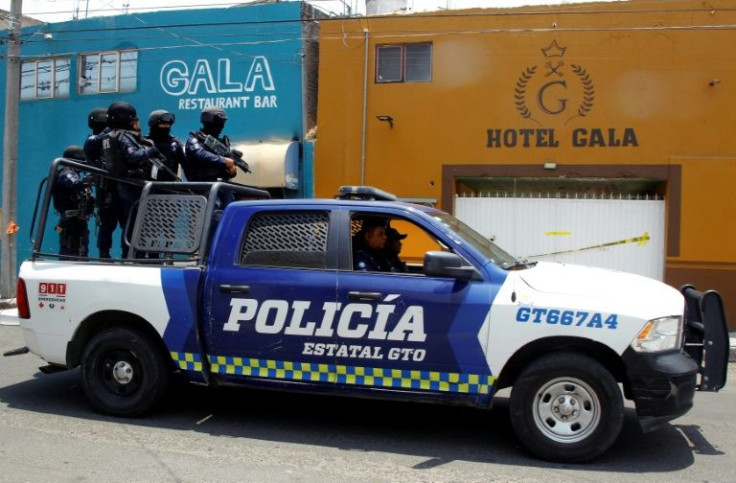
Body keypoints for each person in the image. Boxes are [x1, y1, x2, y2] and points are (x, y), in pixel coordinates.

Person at [101, 101, 160, 257]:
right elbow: (132, 156)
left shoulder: (109, 136)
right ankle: (135, 256)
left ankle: (130, 255)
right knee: (136, 224)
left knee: (131, 223)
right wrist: (151, 151)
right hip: (132, 186)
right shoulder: (124, 136)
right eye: (134, 119)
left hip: (124, 186)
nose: (137, 122)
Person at [84, 107, 123, 259]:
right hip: (105, 188)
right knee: (107, 224)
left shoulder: (115, 136)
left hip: (121, 186)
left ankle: (127, 254)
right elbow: (91, 146)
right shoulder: (94, 139)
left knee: (126, 223)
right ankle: (104, 254)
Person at [53, 146, 94, 259]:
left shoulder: (72, 173)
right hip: (69, 224)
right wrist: (94, 176)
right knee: (70, 251)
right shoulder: (65, 173)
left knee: (81, 252)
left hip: (77, 222)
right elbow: (75, 183)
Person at [184, 107, 237, 182]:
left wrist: (232, 171)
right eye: (219, 121)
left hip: (222, 185)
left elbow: (227, 169)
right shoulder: (195, 139)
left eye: (223, 122)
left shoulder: (223, 142)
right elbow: (200, 154)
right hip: (202, 186)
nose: (221, 125)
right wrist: (223, 160)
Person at [145, 109, 185, 181]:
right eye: (163, 124)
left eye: (168, 124)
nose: (166, 127)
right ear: (154, 124)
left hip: (169, 187)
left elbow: (186, 167)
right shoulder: (144, 142)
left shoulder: (175, 144)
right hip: (146, 186)